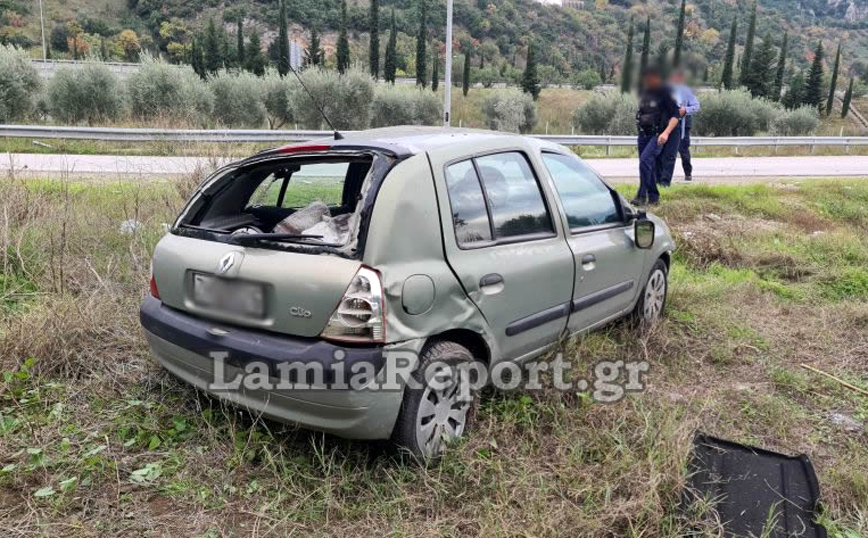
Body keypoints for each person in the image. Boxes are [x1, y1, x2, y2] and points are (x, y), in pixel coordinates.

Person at [631, 66, 681, 206]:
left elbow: (676, 115)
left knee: (645, 161)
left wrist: (666, 133)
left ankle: (642, 195)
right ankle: (653, 197)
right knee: (648, 166)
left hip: (657, 135)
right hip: (643, 134)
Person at [658, 69, 701, 185]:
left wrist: (685, 110)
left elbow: (696, 106)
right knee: (663, 152)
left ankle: (687, 172)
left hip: (683, 124)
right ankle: (661, 179)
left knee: (683, 150)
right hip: (666, 123)